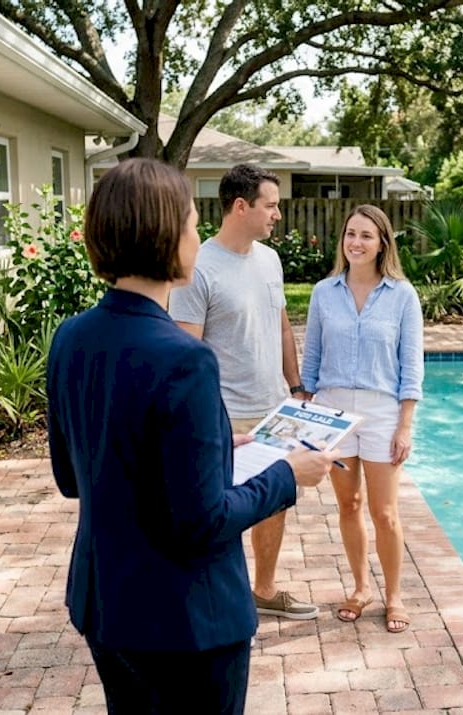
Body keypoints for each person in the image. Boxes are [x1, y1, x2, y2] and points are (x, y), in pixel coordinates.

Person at [46, 158, 338, 714]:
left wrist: (216, 449)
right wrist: (288, 475)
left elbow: (72, 476)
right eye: (188, 222)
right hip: (187, 621)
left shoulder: (71, 337)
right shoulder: (186, 360)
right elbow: (202, 522)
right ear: (163, 236)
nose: (197, 234)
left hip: (105, 604)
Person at [169, 163, 318, 620]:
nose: (277, 215)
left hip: (276, 409)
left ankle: (265, 590)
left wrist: (296, 388)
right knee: (221, 513)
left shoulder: (269, 260)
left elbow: (280, 327)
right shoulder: (200, 268)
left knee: (276, 503)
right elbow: (186, 350)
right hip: (225, 416)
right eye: (270, 206)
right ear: (240, 206)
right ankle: (219, 603)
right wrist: (201, 416)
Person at [299, 204, 423, 634]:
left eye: (366, 235)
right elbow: (311, 359)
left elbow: (411, 366)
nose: (356, 242)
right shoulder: (323, 292)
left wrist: (405, 425)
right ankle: (359, 587)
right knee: (348, 504)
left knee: (384, 511)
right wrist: (306, 414)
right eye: (351, 234)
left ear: (382, 243)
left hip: (381, 411)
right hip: (332, 411)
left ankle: (394, 595)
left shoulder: (403, 296)